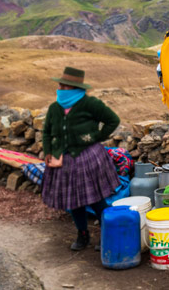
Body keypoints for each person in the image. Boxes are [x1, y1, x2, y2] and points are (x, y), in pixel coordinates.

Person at [41, 66, 120, 251]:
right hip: (64, 161)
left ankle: (106, 234)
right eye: (60, 85)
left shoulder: (90, 104)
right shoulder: (55, 108)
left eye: (64, 86)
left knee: (96, 199)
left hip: (88, 158)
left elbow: (113, 120)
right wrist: (48, 153)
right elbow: (46, 132)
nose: (60, 88)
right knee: (73, 201)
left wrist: (95, 137)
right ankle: (82, 235)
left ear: (75, 88)